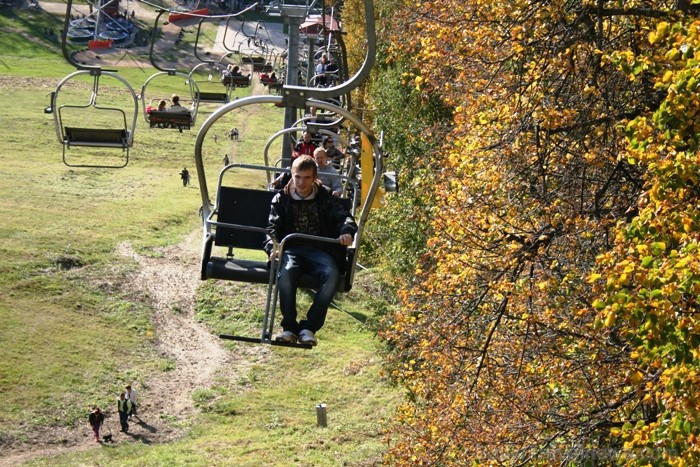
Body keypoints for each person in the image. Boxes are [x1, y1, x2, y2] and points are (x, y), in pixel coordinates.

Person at [265, 155, 357, 346]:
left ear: (314, 178)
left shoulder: (324, 197)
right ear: (292, 174)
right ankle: (289, 327)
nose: (301, 183)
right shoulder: (281, 198)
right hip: (292, 249)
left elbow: (345, 218)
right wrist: (273, 247)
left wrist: (346, 232)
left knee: (332, 274)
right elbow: (272, 228)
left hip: (320, 250)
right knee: (287, 271)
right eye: (297, 177)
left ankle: (309, 327)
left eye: (306, 178)